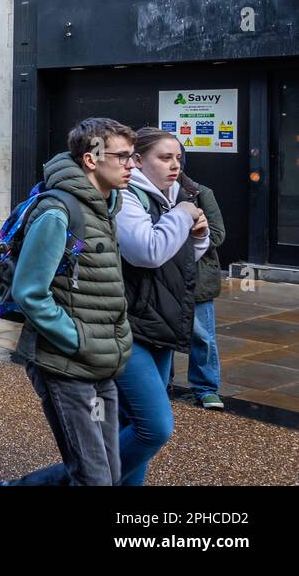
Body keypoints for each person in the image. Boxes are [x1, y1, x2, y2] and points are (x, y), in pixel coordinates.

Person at [0, 118, 137, 486]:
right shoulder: (59, 212)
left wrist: (115, 336)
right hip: (67, 367)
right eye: (122, 157)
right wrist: (78, 339)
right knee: (94, 476)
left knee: (108, 471)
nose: (131, 165)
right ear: (91, 160)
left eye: (133, 156)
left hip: (102, 368)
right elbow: (30, 291)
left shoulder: (106, 206)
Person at [110, 126, 208, 485]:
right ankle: (62, 479)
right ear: (137, 161)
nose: (175, 166)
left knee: (132, 425)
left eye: (178, 158)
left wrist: (198, 235)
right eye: (165, 158)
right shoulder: (127, 197)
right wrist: (183, 216)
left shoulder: (170, 197)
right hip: (129, 325)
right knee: (154, 428)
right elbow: (147, 253)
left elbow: (180, 260)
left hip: (161, 321)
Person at [182, 164, 226, 410]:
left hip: (197, 277)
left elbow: (218, 235)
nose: (172, 164)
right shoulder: (144, 193)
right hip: (162, 278)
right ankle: (161, 383)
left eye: (176, 158)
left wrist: (178, 232)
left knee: (202, 335)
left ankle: (206, 388)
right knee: (159, 333)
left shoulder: (200, 192)